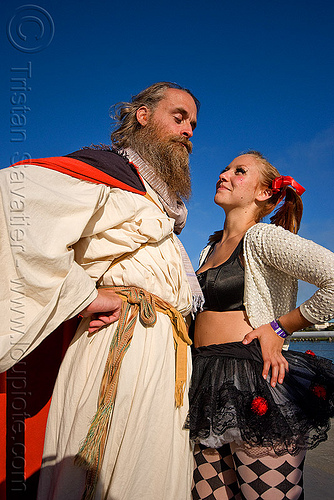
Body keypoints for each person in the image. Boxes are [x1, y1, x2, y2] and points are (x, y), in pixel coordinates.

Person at [0, 82, 200, 499]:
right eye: (179, 117)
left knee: (152, 469)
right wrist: (84, 297)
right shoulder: (107, 173)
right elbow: (12, 205)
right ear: (142, 115)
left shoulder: (160, 203)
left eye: (193, 125)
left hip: (167, 354)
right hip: (119, 341)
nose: (188, 132)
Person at [187, 151, 334, 499]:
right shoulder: (208, 249)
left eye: (239, 171)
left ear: (264, 193)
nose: (224, 174)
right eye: (225, 168)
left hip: (255, 381)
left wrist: (280, 327)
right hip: (204, 382)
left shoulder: (263, 238)